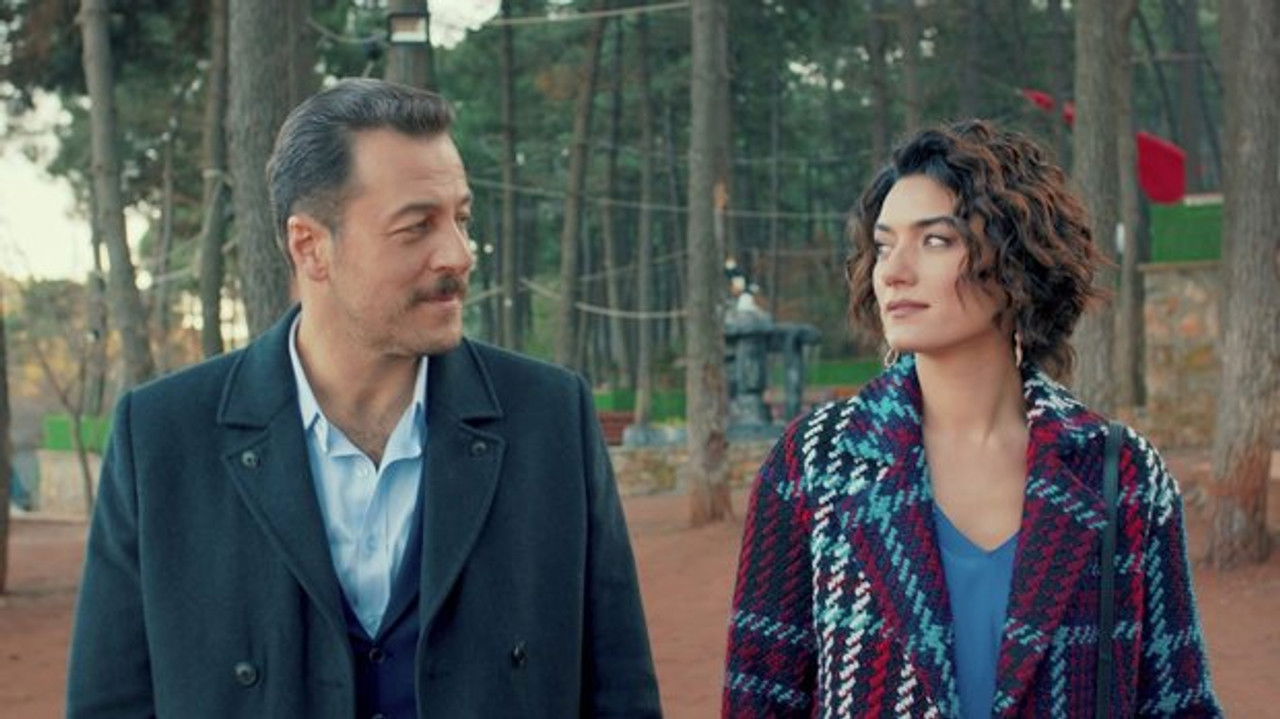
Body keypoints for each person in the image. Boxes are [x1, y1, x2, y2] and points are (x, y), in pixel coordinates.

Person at [67, 79, 661, 718]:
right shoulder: (162, 437)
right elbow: (110, 705)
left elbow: (621, 696)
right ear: (310, 246)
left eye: (462, 219)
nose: (459, 255)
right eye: (417, 227)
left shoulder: (550, 419)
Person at [723, 121, 1221, 717]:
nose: (894, 271)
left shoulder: (1121, 472)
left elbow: (1179, 703)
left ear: (1017, 259)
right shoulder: (817, 462)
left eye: (936, 240)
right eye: (884, 245)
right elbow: (758, 698)